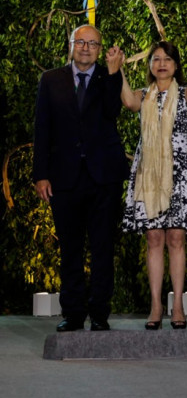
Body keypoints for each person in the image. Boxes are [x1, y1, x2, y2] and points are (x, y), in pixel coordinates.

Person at [33, 25, 128, 332]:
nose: (86, 48)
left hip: (104, 178)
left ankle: (100, 313)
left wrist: (115, 75)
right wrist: (41, 175)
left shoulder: (107, 76)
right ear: (71, 44)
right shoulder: (51, 79)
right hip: (64, 177)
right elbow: (42, 129)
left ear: (100, 49)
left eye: (93, 44)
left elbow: (114, 111)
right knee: (70, 249)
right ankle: (72, 314)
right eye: (81, 42)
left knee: (103, 248)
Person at [107, 41, 187, 329]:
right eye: (156, 59)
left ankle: (177, 307)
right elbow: (127, 102)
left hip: (179, 173)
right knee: (154, 239)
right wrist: (119, 69)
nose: (162, 63)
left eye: (168, 59)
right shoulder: (142, 95)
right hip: (149, 172)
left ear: (176, 65)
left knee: (176, 238)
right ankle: (155, 305)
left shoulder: (185, 93)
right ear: (149, 65)